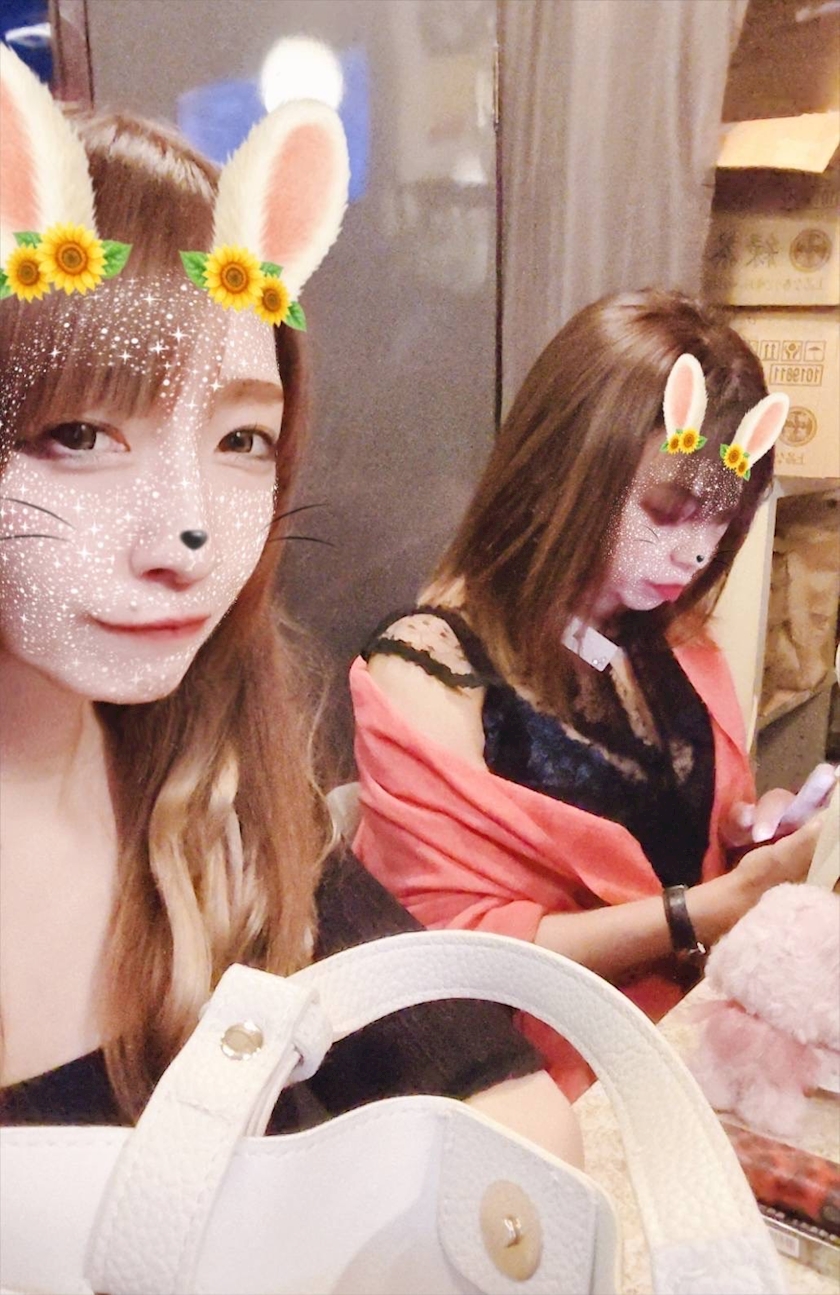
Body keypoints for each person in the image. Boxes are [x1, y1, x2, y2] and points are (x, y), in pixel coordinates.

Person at [0, 47, 580, 1161]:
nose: (187, 536)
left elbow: (503, 1105)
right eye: (81, 433)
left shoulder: (214, 798)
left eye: (240, 439)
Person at [350, 289, 824, 1099]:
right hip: (528, 1084)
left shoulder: (663, 642)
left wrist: (750, 834)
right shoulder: (429, 667)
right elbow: (450, 951)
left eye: (720, 521)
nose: (693, 554)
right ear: (562, 470)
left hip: (688, 1036)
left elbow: (686, 834)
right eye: (664, 511)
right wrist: (708, 907)